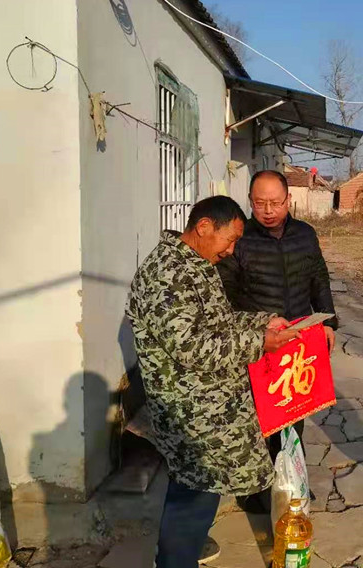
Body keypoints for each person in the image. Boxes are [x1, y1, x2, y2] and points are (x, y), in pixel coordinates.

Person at [126, 196, 298, 568]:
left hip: (212, 407)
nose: (231, 250)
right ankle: (175, 559)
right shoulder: (167, 274)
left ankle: (181, 550)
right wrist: (258, 342)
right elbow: (191, 347)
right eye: (229, 239)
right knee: (195, 492)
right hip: (191, 412)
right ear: (204, 227)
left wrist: (262, 323)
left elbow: (219, 322)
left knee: (199, 490)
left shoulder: (196, 263)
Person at [217, 170, 338, 511]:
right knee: (258, 420)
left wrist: (328, 321)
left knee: (294, 417)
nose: (268, 210)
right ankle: (257, 490)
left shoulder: (305, 234)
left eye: (275, 202)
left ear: (288, 200)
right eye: (260, 203)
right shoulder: (240, 239)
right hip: (259, 343)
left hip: (299, 339)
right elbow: (226, 292)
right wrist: (256, 327)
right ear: (250, 202)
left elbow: (319, 278)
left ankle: (292, 484)